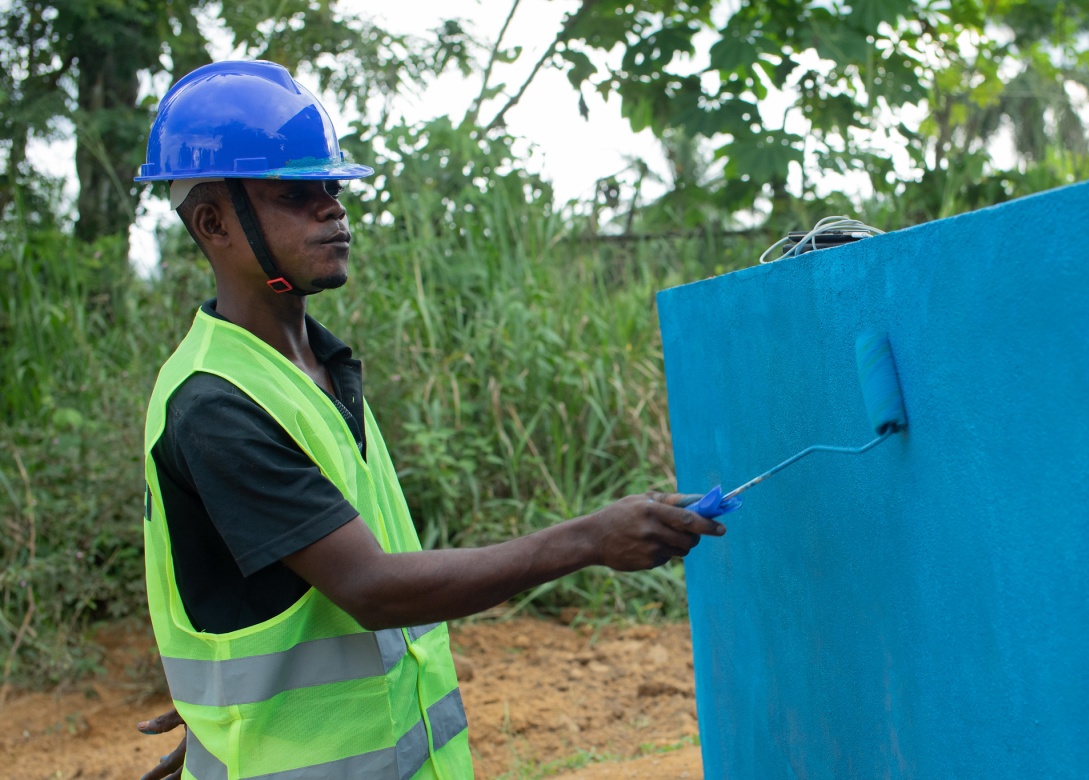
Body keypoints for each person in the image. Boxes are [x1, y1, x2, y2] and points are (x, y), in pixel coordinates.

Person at [132, 60, 731, 780]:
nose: (333, 208)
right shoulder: (216, 403)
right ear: (212, 223)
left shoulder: (319, 369)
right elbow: (373, 588)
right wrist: (586, 539)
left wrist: (221, 711)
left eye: (333, 186)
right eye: (296, 192)